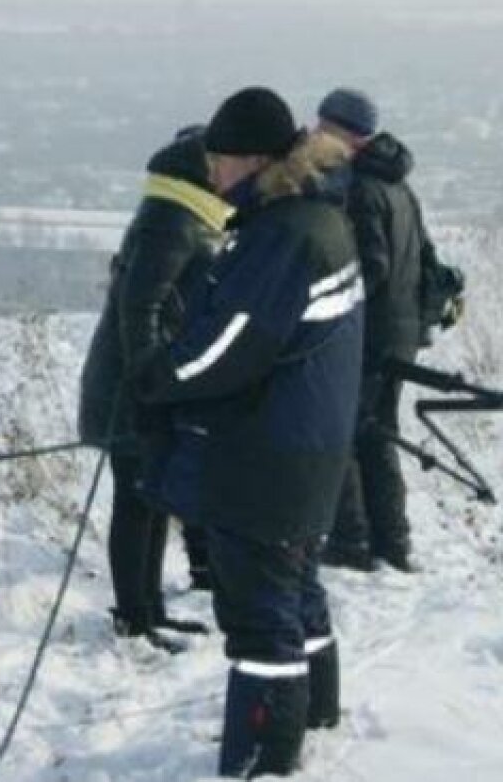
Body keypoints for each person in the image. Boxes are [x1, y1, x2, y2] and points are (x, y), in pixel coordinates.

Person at [133, 87, 364, 778]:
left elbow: (224, 347)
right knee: (297, 591)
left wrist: (154, 379)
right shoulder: (317, 215)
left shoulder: (284, 237)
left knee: (262, 618)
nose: (213, 172)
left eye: (221, 159)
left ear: (256, 159)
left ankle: (262, 759)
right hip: (308, 449)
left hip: (269, 460)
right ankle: (317, 711)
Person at [78, 126, 231, 651]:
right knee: (136, 498)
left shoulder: (188, 216)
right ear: (203, 168)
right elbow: (138, 306)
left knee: (150, 497)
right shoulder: (172, 220)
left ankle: (150, 610)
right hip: (130, 387)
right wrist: (147, 379)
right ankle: (134, 617)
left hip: (144, 383)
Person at [316, 87, 435, 572]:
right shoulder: (399, 185)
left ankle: (351, 542)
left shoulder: (360, 188)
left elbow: (372, 267)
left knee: (343, 432)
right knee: (379, 434)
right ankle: (393, 542)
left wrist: (330, 306)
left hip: (369, 334)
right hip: (401, 332)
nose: (317, 135)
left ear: (345, 132)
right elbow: (426, 260)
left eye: (324, 127)